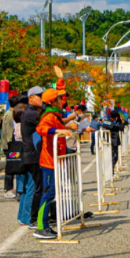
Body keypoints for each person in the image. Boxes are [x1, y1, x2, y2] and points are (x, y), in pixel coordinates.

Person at [34, 89, 78, 240]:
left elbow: (58, 125)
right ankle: (41, 227)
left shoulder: (55, 114)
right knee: (48, 193)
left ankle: (45, 225)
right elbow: (41, 129)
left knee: (52, 193)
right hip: (48, 162)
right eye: (59, 99)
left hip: (55, 160)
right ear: (53, 101)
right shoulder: (49, 115)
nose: (62, 101)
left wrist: (60, 80)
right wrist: (58, 130)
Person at [20, 87, 45, 230]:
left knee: (30, 187)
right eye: (39, 96)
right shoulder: (32, 113)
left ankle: (24, 217)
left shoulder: (29, 112)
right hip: (33, 155)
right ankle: (32, 219)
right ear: (31, 98)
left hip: (30, 154)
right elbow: (48, 124)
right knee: (36, 188)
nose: (42, 99)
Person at [1, 95, 22, 199]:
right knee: (11, 166)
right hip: (10, 144)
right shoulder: (10, 115)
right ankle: (8, 189)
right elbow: (9, 131)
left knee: (13, 165)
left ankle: (11, 188)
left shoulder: (10, 113)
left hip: (10, 144)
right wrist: (11, 144)